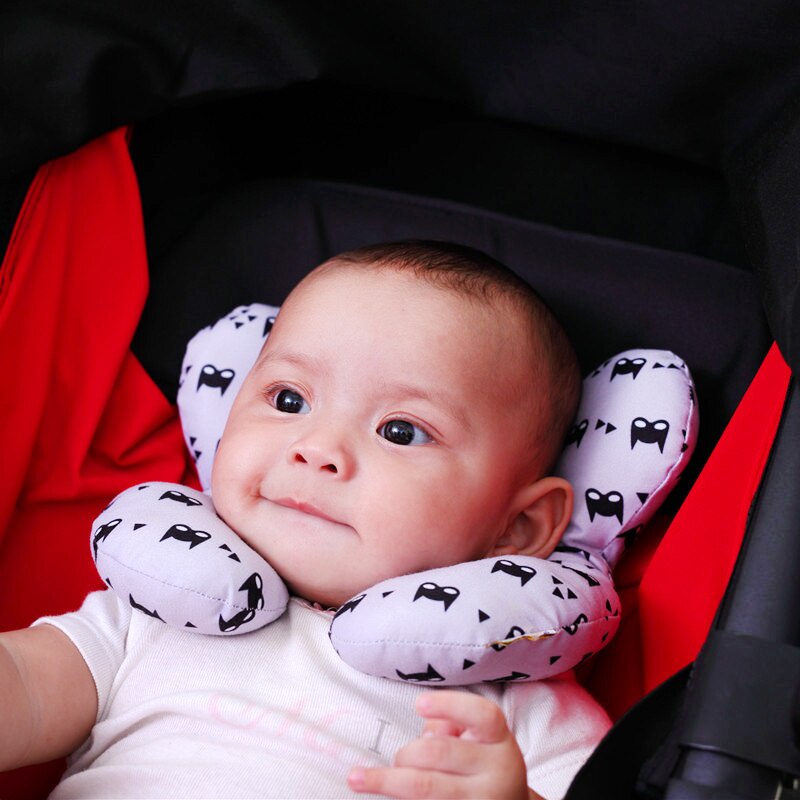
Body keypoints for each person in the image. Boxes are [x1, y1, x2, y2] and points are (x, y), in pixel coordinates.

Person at [0, 241, 610, 799]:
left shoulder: (510, 698)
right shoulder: (155, 615)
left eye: (400, 431)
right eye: (288, 400)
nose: (316, 448)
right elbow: (22, 687)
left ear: (519, 528)